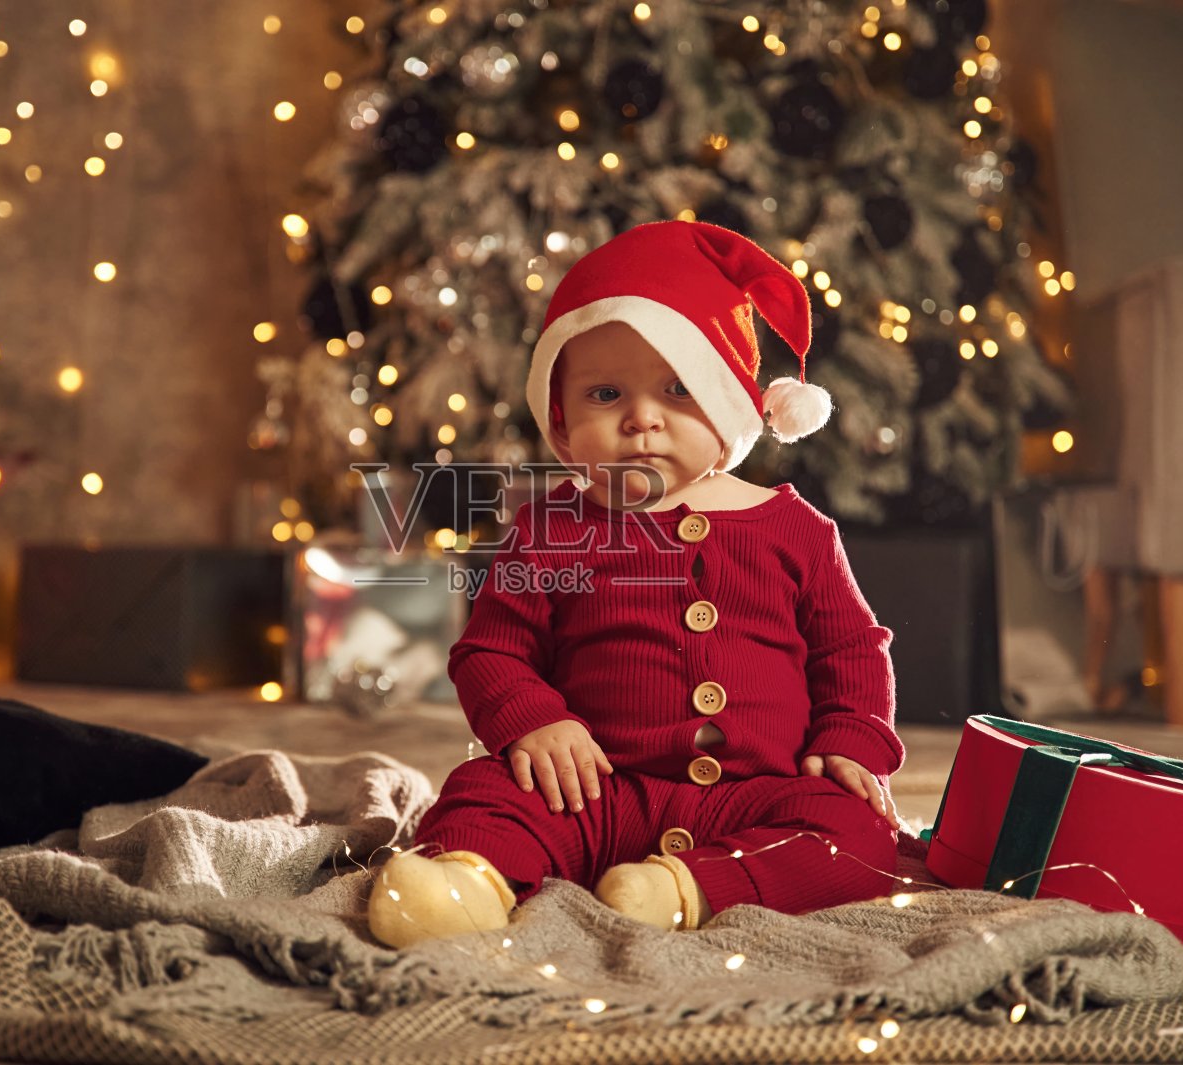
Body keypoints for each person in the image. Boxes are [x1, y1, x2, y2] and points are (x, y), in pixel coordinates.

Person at [367, 220, 905, 948]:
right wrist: (533, 719)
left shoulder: (795, 528)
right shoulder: (552, 526)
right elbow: (491, 651)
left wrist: (851, 739)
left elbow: (851, 648)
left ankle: (684, 889)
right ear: (561, 424)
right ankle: (466, 878)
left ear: (732, 404)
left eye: (678, 389)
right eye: (605, 392)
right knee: (483, 790)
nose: (642, 418)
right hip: (593, 789)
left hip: (756, 797)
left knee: (861, 833)